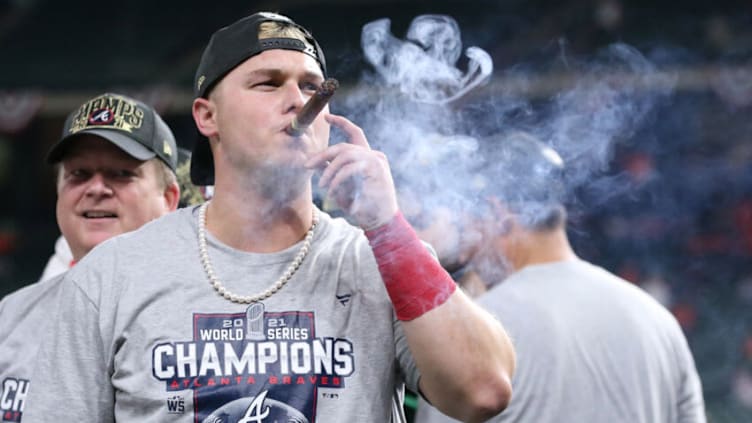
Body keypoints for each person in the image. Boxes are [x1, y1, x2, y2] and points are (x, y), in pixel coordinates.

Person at [23, 11, 515, 423]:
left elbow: (483, 391)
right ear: (206, 117)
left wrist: (388, 227)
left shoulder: (377, 256)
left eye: (311, 86)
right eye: (268, 83)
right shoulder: (113, 275)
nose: (299, 100)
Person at [413, 131, 706, 422]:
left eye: (467, 222)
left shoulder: (480, 330)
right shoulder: (657, 319)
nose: (465, 251)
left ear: (497, 211)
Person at [0, 92, 180, 422]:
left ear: (169, 199)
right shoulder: (10, 317)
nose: (96, 188)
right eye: (79, 175)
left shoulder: (207, 315)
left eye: (121, 174)